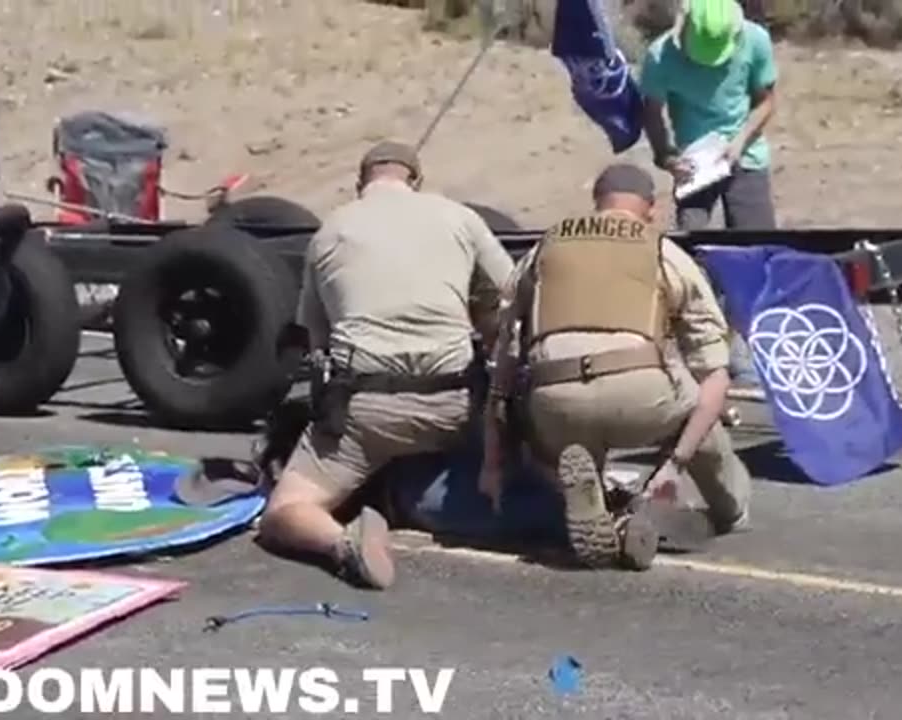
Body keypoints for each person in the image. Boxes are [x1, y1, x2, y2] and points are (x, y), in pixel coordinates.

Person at [257, 140, 515, 590]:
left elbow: (317, 342)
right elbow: (513, 294)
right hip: (454, 403)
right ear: (416, 180)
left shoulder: (330, 231)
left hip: (368, 409)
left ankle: (339, 541)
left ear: (361, 183)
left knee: (283, 512)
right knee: (492, 463)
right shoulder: (460, 217)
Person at [480, 163, 751, 570]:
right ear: (651, 209)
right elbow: (714, 370)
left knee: (545, 427)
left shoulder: (545, 249)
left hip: (557, 401)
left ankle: (603, 503)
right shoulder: (662, 250)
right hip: (639, 395)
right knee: (701, 405)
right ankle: (723, 509)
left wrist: (494, 458)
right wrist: (675, 464)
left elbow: (505, 360)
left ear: (596, 204)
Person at [639, 0, 778, 231]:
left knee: (757, 243)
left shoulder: (756, 41)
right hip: (694, 166)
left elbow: (766, 101)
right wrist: (667, 157)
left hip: (745, 154)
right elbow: (652, 112)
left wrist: (739, 141)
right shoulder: (660, 56)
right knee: (691, 243)